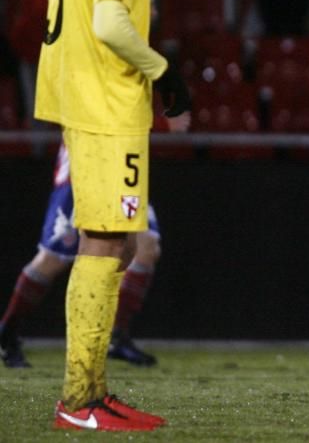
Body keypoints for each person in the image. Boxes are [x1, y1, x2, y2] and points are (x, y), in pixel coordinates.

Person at [33, 0, 191, 432]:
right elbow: (108, 21)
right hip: (107, 106)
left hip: (83, 99)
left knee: (116, 242)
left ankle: (92, 390)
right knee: (104, 242)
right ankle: (79, 400)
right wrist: (164, 73)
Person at [0, 136, 177, 369]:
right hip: (87, 158)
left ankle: (116, 335)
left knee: (147, 246)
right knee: (54, 258)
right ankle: (7, 332)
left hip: (121, 162)